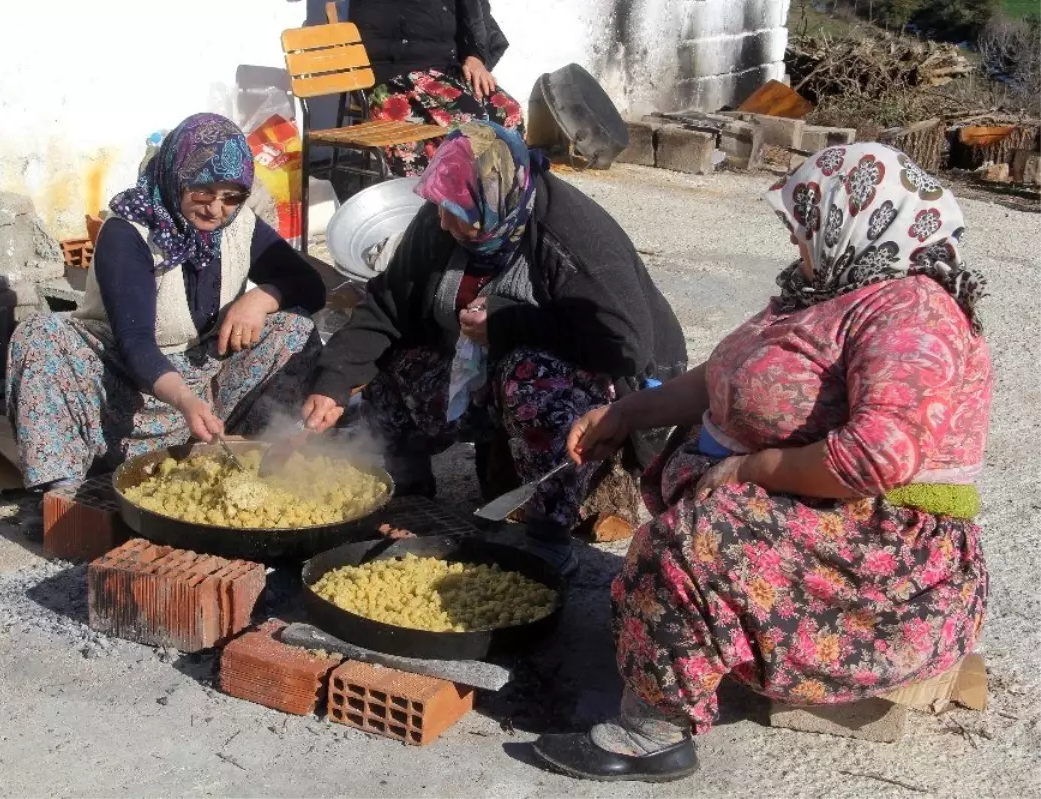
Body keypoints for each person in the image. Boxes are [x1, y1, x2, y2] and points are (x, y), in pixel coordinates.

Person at [532, 143, 991, 781]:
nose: (797, 239)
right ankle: (701, 637)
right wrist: (629, 413)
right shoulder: (831, 285)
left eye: (805, 224)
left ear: (858, 220)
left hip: (888, 556)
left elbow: (881, 455)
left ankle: (652, 733)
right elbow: (730, 376)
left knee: (690, 547)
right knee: (687, 542)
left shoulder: (912, 312)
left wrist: (751, 472)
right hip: (828, 509)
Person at [301, 122, 687, 576]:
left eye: (457, 214)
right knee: (396, 364)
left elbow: (622, 345)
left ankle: (548, 534)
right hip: (488, 360)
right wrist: (334, 382)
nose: (443, 222)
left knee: (530, 377)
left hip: (601, 377)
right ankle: (408, 488)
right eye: (441, 209)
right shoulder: (447, 211)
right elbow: (389, 304)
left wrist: (508, 322)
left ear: (496, 201)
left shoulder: (573, 237)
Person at [6, 113, 327, 489]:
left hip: (203, 375)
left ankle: (254, 455)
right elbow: (135, 341)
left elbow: (311, 286)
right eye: (202, 192)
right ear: (177, 178)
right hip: (123, 379)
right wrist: (188, 402)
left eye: (231, 197)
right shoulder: (128, 232)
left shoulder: (239, 224)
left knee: (295, 330)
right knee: (40, 337)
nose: (215, 209)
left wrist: (260, 297)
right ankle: (65, 491)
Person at [349, 0, 524, 176]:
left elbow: (474, 17)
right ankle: (445, 193)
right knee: (470, 123)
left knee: (509, 112)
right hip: (394, 75)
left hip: (446, 71)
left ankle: (500, 195)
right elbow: (379, 36)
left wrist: (475, 56)